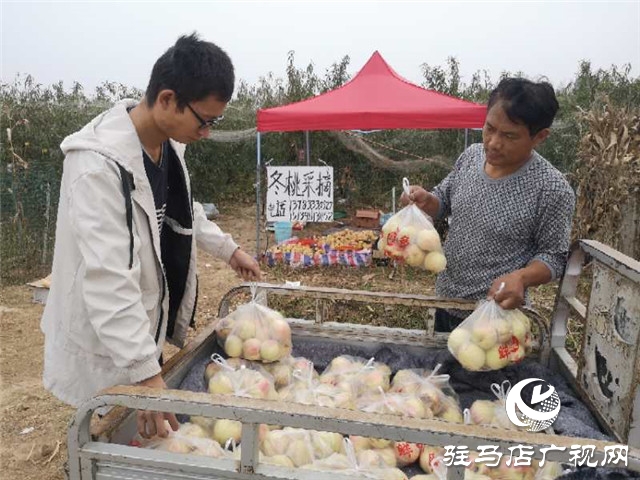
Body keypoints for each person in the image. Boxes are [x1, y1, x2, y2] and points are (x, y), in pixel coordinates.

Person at [40, 33, 261, 439]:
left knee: (141, 425)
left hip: (141, 318)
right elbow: (108, 280)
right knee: (108, 429)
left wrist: (230, 250)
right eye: (204, 120)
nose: (208, 132)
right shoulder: (97, 167)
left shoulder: (168, 146)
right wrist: (147, 377)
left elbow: (182, 211)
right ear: (167, 99)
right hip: (104, 325)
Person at [402, 78, 575, 332]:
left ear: (540, 137)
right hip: (446, 301)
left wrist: (521, 277)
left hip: (495, 318)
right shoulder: (472, 156)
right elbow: (444, 201)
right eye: (489, 128)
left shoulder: (551, 189)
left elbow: (554, 256)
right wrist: (427, 200)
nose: (493, 142)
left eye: (509, 136)